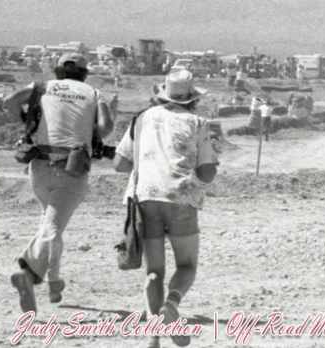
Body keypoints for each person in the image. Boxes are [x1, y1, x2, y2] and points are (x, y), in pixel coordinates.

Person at [113, 69, 219, 348]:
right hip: (181, 198)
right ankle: (172, 304)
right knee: (186, 264)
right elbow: (207, 174)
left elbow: (120, 164)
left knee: (154, 270)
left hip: (145, 197)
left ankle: (153, 336)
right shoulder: (198, 123)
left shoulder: (142, 119)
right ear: (192, 98)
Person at [4, 53, 114, 314]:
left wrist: (27, 122)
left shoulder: (41, 87)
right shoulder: (95, 93)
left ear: (58, 71)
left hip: (39, 166)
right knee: (53, 226)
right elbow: (106, 128)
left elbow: (9, 101)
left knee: (51, 224)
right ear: (85, 73)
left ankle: (54, 281)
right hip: (71, 167)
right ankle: (27, 274)